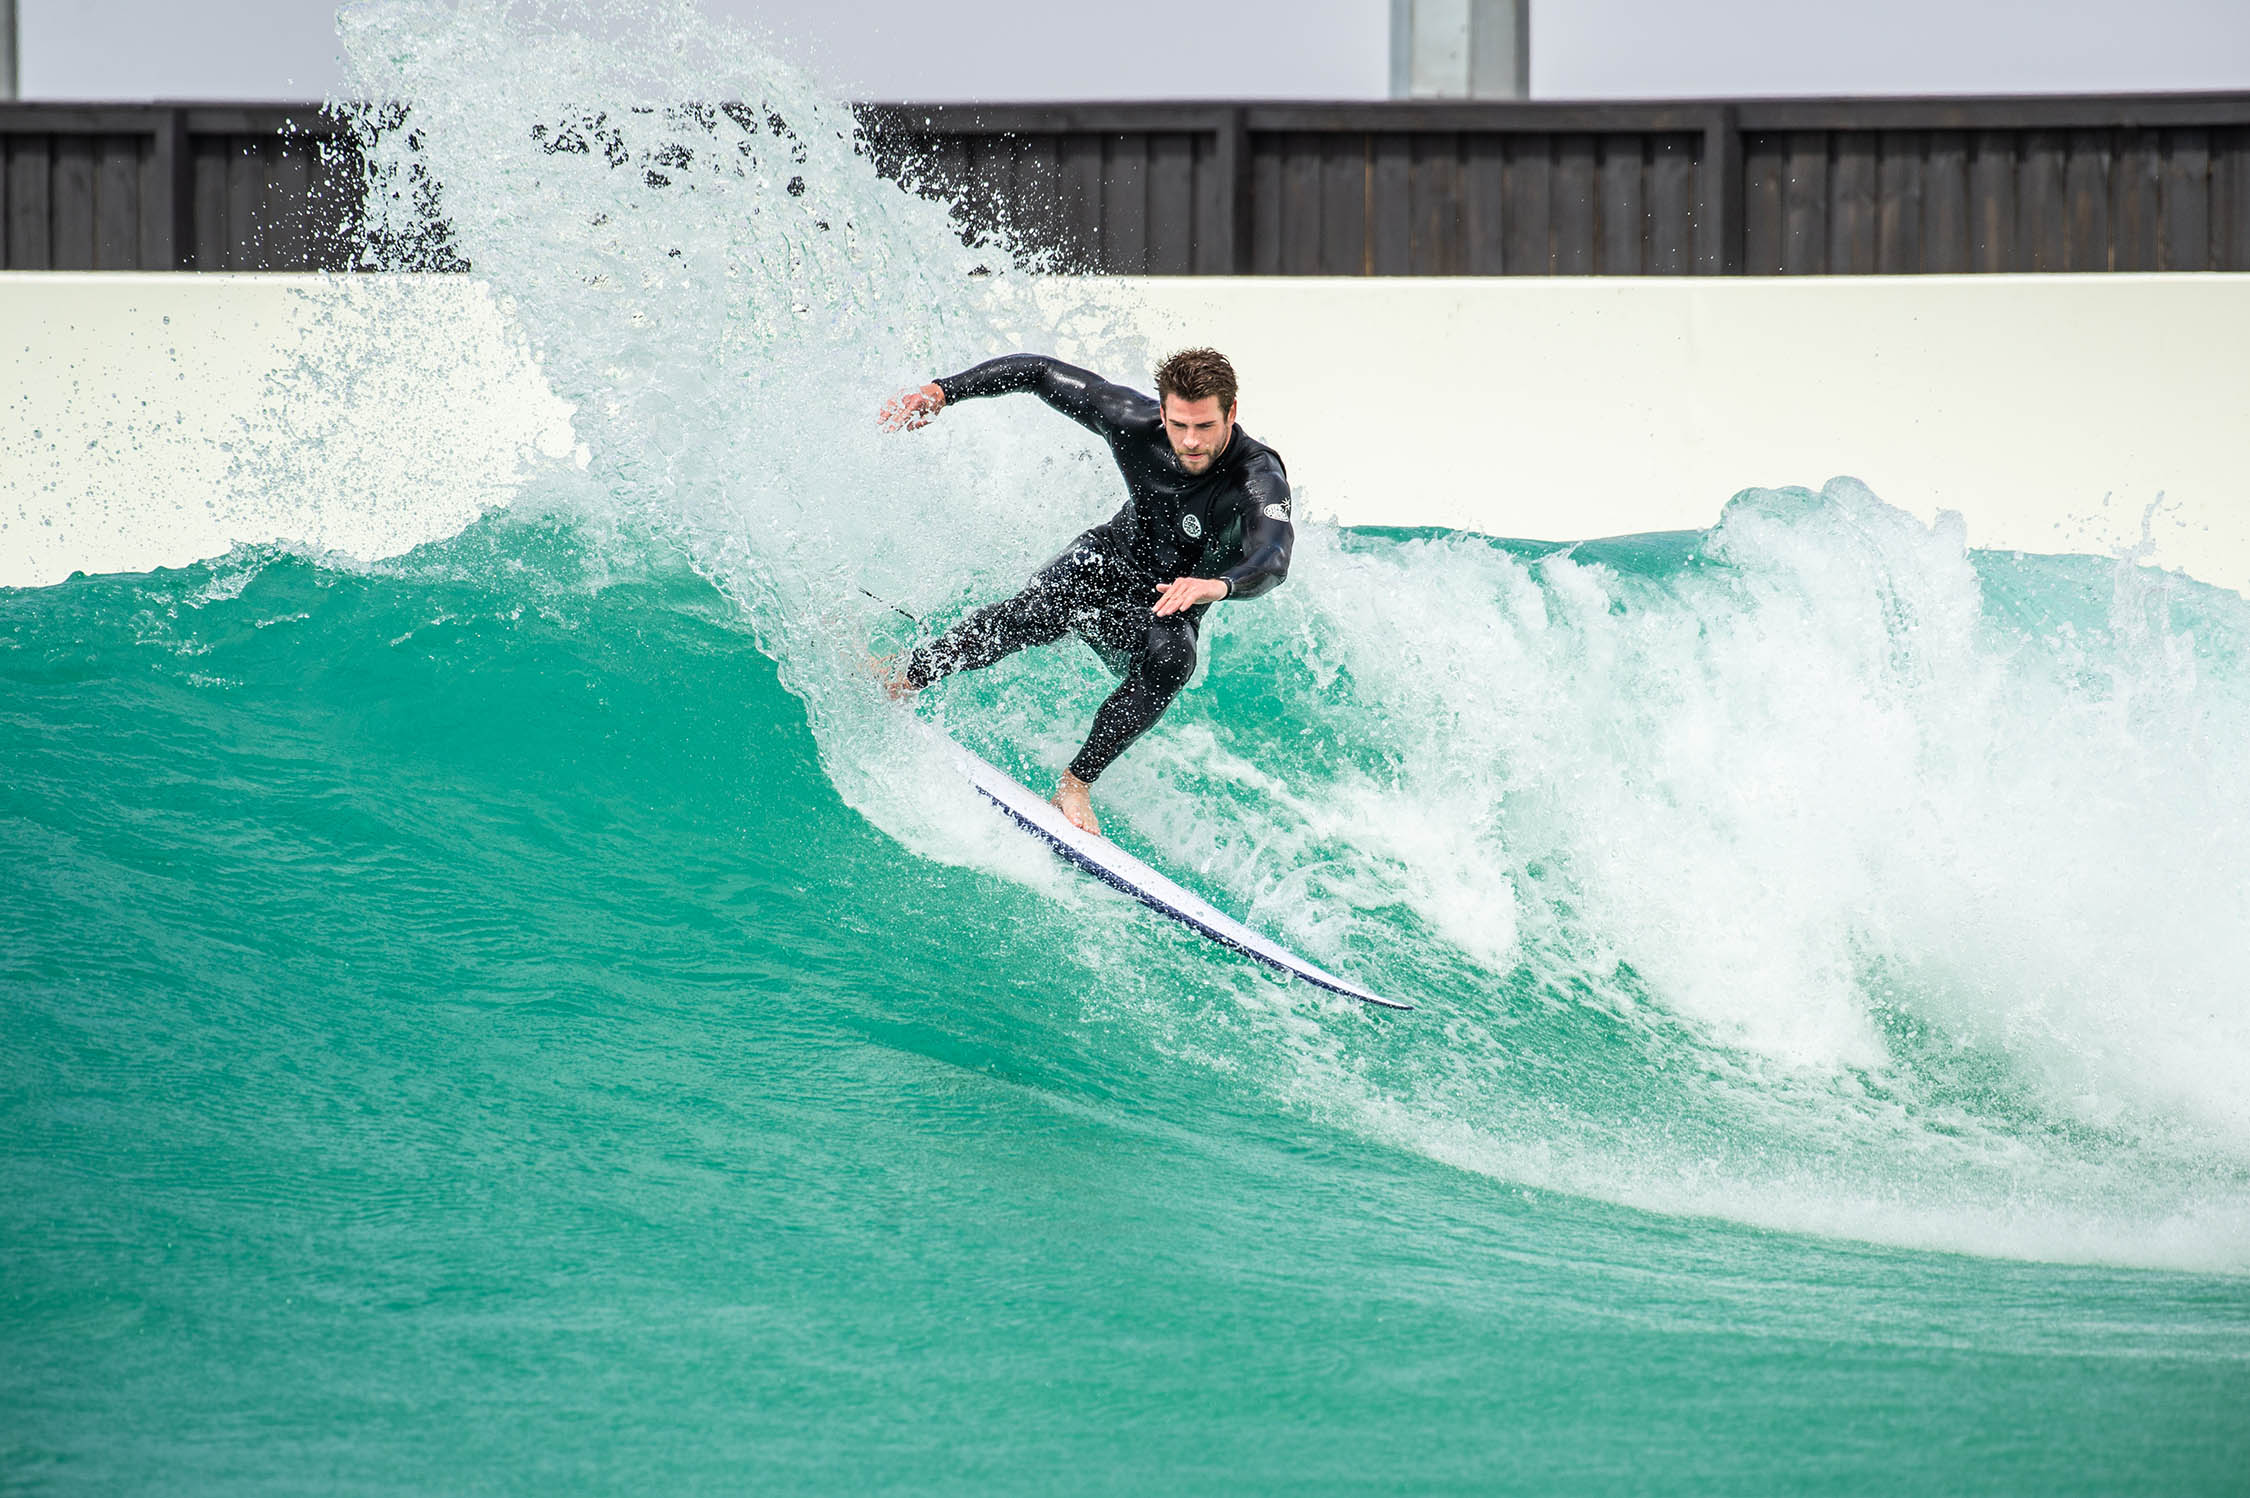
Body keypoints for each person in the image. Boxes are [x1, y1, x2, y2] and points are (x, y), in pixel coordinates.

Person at [876, 347, 1293, 837]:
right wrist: (943, 391)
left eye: (1205, 426)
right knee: (1030, 613)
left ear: (1231, 412)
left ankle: (1075, 784)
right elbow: (1039, 373)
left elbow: (1274, 557)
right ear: (1162, 413)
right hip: (1107, 559)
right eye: (1179, 424)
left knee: (1172, 660)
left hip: (1167, 601)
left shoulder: (1257, 476)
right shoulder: (1133, 422)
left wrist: (1218, 585)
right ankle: (904, 678)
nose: (1190, 441)